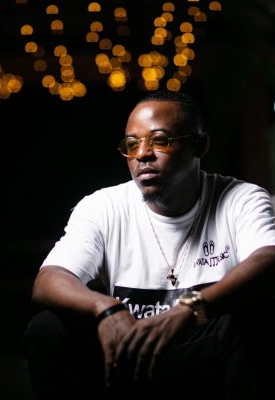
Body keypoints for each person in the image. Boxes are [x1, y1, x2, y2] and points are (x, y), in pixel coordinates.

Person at [22, 90, 275, 400]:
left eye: (160, 140)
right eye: (132, 144)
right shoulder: (103, 206)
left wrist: (191, 308)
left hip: (205, 355)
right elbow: (49, 279)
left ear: (200, 145)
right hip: (129, 355)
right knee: (46, 328)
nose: (142, 154)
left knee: (257, 319)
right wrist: (105, 308)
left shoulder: (241, 199)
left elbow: (268, 258)